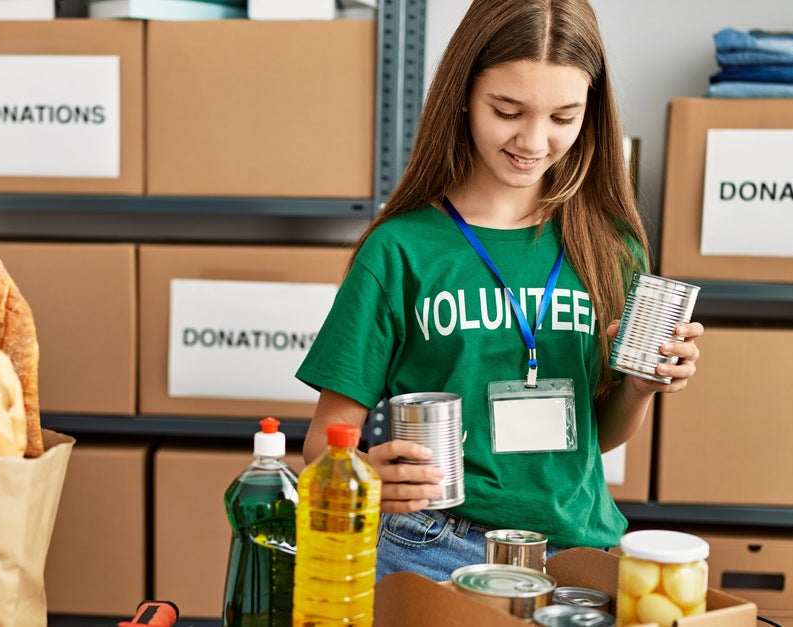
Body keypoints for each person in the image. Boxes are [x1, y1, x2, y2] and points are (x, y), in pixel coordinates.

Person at [295, 0, 704, 582]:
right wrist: (366, 473)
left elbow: (600, 437)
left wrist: (639, 386)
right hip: (429, 546)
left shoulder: (611, 248)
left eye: (564, 117)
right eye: (508, 110)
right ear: (464, 95)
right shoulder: (400, 249)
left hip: (579, 550)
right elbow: (321, 446)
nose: (534, 141)